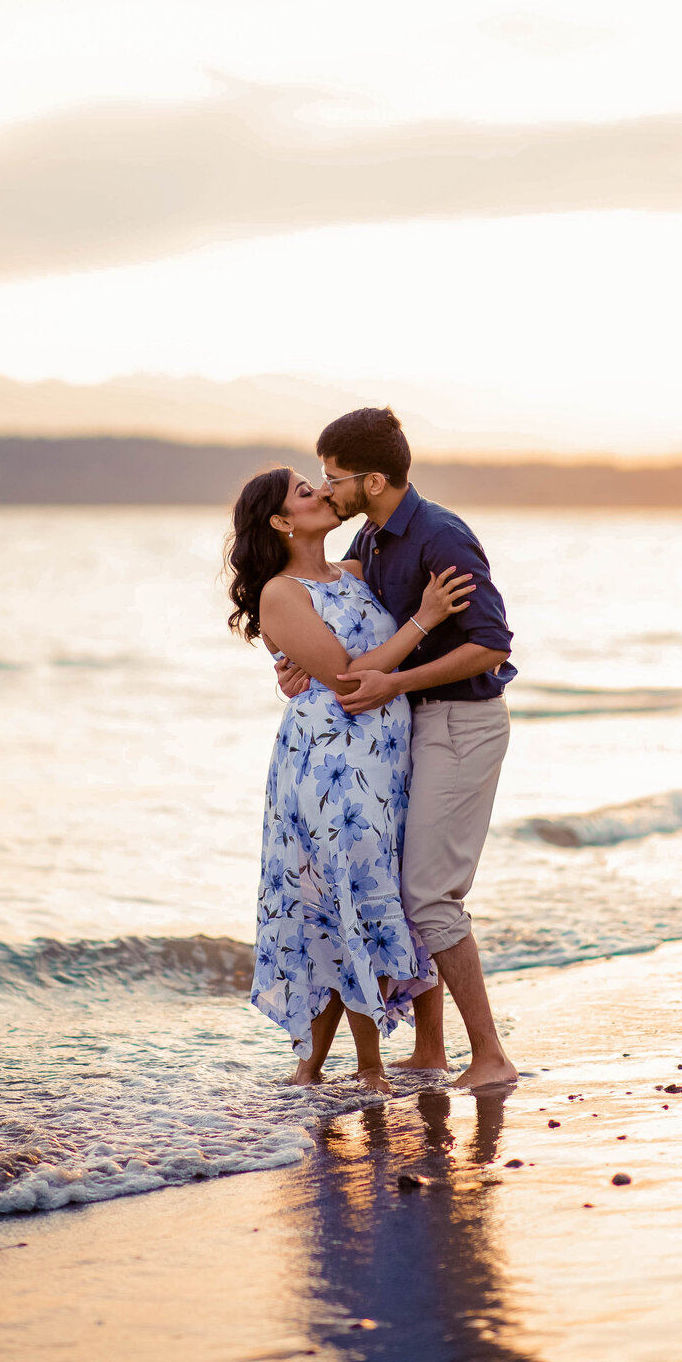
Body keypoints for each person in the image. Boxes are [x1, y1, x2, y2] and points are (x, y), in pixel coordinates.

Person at [276, 407, 517, 1090]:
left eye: (333, 478)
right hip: (415, 727)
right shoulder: (377, 539)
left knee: (428, 895)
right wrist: (297, 659)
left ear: (373, 479)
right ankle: (431, 1051)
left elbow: (492, 642)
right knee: (405, 890)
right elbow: (337, 616)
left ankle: (492, 1055)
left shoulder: (441, 536)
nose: (326, 491)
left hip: (459, 725)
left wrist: (395, 683)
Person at [226, 466, 476, 1090]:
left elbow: (359, 665)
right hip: (329, 762)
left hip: (385, 759)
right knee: (344, 895)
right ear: (282, 522)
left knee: (358, 894)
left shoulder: (356, 572)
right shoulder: (281, 593)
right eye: (305, 492)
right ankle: (367, 1067)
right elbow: (347, 680)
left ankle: (311, 1067)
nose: (321, 494)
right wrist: (422, 619)